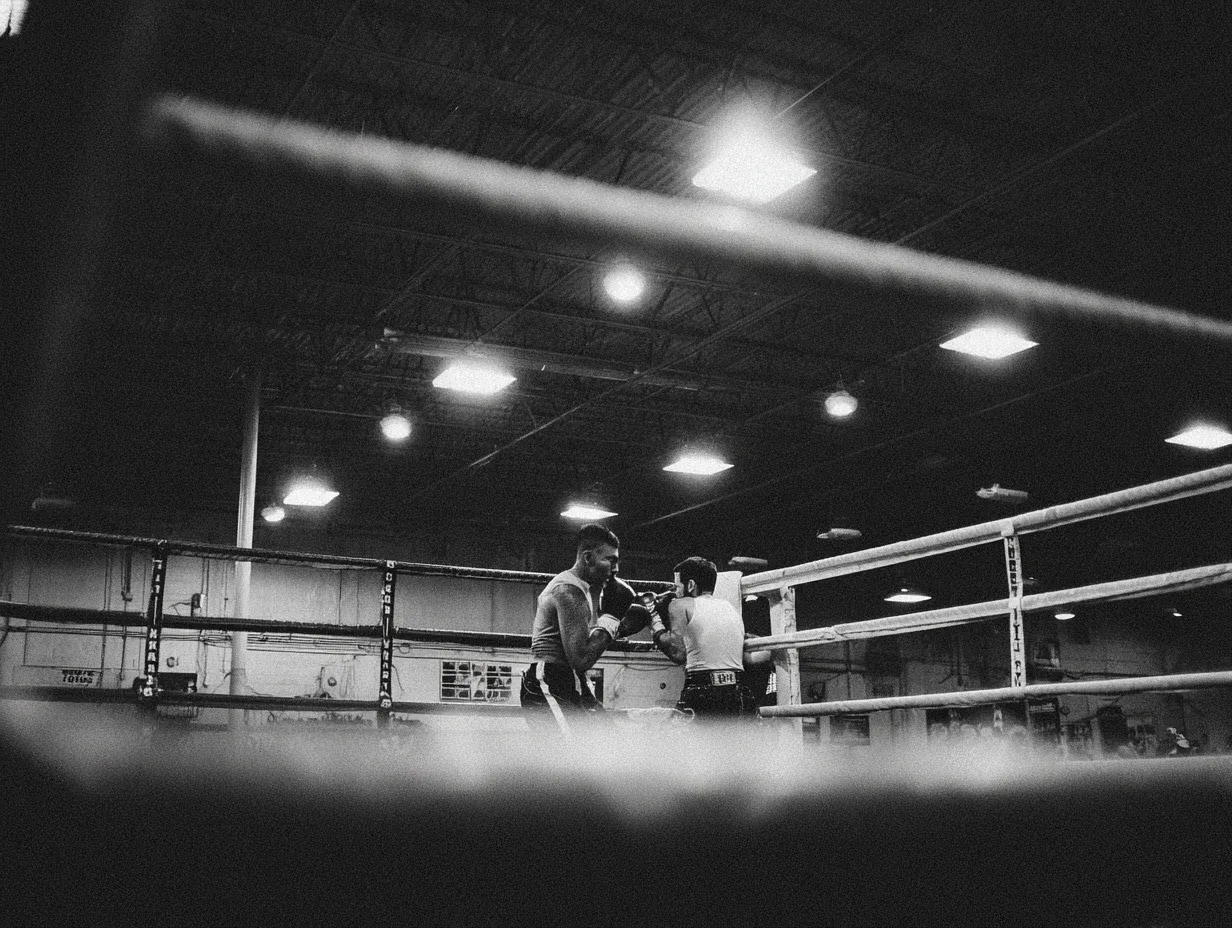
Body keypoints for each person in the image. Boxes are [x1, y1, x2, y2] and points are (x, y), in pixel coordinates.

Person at [519, 523, 650, 731]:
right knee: (570, 754)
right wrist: (613, 618)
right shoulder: (569, 592)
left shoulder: (588, 590)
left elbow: (591, 639)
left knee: (606, 741)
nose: (616, 569)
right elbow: (581, 659)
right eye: (610, 560)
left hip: (575, 680)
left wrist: (624, 623)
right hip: (550, 679)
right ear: (588, 558)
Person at [647, 556, 771, 720]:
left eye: (677, 586)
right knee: (735, 744)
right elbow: (748, 656)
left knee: (676, 742)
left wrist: (653, 621)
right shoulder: (730, 608)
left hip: (703, 691)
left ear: (691, 585)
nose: (675, 592)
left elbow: (678, 655)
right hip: (740, 692)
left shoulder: (680, 604)